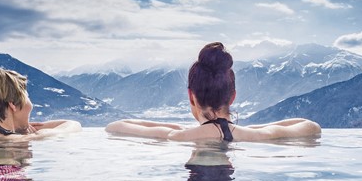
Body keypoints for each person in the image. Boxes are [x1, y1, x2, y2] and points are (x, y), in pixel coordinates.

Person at [105, 42, 321, 142]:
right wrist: (252, 128)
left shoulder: (176, 136)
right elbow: (311, 126)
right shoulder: (257, 136)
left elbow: (114, 126)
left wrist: (177, 127)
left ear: (191, 96)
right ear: (233, 96)